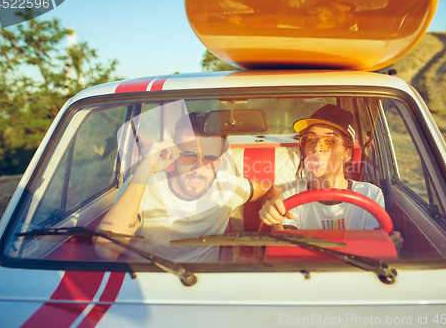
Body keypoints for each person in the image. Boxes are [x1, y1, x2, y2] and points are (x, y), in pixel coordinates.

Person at [95, 112, 280, 262]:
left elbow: (270, 190)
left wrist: (268, 215)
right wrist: (145, 169)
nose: (198, 167)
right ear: (175, 153)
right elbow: (106, 250)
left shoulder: (226, 186)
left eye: (210, 158)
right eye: (189, 155)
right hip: (146, 288)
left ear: (221, 159)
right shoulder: (143, 185)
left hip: (203, 290)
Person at [259, 104, 403, 251]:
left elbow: (372, 250)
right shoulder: (290, 198)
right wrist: (275, 222)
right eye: (311, 140)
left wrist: (386, 245)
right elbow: (289, 252)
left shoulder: (371, 194)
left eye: (329, 141)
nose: (316, 148)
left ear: (347, 154)